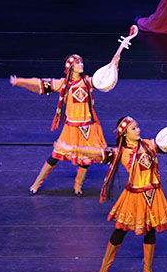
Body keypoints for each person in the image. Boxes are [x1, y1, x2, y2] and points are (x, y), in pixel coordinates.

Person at [63, 115, 167, 272]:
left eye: (137, 127)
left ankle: (148, 270)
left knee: (150, 232)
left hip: (152, 195)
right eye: (133, 128)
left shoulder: (149, 145)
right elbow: (98, 153)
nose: (138, 130)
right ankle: (104, 267)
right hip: (134, 197)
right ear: (125, 134)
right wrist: (72, 148)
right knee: (120, 231)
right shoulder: (121, 152)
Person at [10, 52, 119, 196]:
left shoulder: (88, 82)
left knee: (85, 159)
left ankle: (78, 187)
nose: (81, 65)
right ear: (71, 67)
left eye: (81, 62)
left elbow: (105, 80)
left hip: (88, 126)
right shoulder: (63, 84)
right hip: (71, 127)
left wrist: (115, 62)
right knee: (55, 156)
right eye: (78, 63)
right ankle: (36, 184)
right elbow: (40, 83)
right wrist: (19, 81)